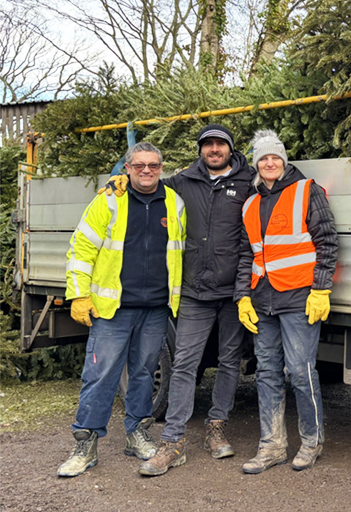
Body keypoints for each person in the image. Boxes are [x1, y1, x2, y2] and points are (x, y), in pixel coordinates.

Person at [133, 124, 255, 476]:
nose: (214, 149)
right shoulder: (182, 181)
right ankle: (172, 441)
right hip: (193, 291)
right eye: (208, 144)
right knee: (185, 363)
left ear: (231, 148)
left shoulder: (249, 182)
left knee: (231, 361)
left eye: (220, 144)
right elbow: (145, 186)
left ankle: (216, 427)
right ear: (200, 149)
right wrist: (118, 182)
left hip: (234, 291)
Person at [58, 142, 186, 477]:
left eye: (154, 165)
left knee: (144, 374)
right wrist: (79, 295)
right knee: (100, 376)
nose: (147, 171)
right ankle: (85, 446)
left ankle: (137, 435)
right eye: (140, 165)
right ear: (126, 168)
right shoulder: (108, 201)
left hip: (156, 308)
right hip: (112, 310)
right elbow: (82, 248)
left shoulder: (174, 203)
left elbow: (180, 252)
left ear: (162, 168)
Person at [235, 129, 337, 473]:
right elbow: (246, 255)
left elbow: (327, 241)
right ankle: (272, 446)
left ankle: (311, 442)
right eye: (263, 158)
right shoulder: (250, 203)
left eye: (274, 156)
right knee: (266, 372)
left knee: (299, 371)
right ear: (256, 164)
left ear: (284, 159)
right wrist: (242, 297)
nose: (269, 162)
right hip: (263, 301)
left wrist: (321, 289)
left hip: (299, 298)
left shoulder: (306, 191)